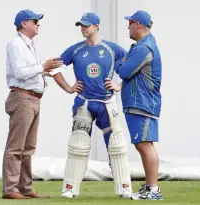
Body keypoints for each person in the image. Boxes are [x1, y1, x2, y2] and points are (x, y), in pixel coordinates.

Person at [53, 12, 132, 199]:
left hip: (107, 103)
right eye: (81, 25)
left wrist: (118, 85)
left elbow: (134, 67)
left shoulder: (113, 49)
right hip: (84, 102)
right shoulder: (75, 50)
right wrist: (68, 88)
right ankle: (70, 189)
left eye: (86, 25)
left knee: (117, 146)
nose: (83, 28)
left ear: (96, 26)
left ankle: (124, 188)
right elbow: (54, 68)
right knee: (78, 144)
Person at [2, 9, 63, 199]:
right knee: (16, 147)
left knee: (28, 148)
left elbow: (31, 71)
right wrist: (43, 67)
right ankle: (11, 189)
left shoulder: (28, 45)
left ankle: (25, 188)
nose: (38, 24)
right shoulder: (16, 44)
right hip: (22, 98)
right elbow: (20, 73)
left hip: (33, 99)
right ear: (24, 23)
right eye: (35, 21)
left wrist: (45, 71)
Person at [114, 10, 163, 200]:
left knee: (145, 145)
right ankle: (150, 187)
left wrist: (120, 62)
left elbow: (124, 71)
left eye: (130, 23)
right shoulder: (141, 46)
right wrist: (124, 61)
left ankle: (153, 190)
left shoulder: (144, 48)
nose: (128, 27)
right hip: (139, 102)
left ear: (139, 25)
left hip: (142, 103)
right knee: (142, 145)